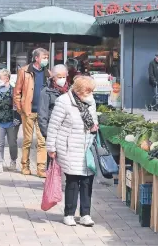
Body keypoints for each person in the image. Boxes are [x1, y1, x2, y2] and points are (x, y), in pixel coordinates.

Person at [46, 76, 99, 227]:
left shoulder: (91, 101)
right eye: (87, 91)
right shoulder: (64, 101)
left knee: (88, 181)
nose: (90, 94)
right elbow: (54, 126)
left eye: (91, 91)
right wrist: (51, 147)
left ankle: (85, 214)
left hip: (87, 147)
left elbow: (93, 119)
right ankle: (69, 214)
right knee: (73, 181)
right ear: (79, 90)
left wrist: (94, 126)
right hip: (69, 147)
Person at [14, 48, 51, 178]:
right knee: (27, 140)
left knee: (42, 141)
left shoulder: (48, 73)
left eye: (47, 57)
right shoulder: (24, 71)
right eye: (44, 57)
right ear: (36, 58)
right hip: (28, 111)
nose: (46, 59)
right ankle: (25, 165)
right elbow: (17, 92)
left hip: (42, 113)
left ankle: (41, 169)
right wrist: (20, 109)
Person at [0, 69, 21, 174]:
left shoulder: (13, 90)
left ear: (7, 78)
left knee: (12, 143)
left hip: (11, 121)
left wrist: (18, 118)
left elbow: (18, 106)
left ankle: (13, 161)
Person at [38, 64, 69, 168]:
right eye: (59, 77)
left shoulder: (70, 91)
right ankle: (52, 182)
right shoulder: (46, 92)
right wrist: (46, 133)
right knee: (52, 161)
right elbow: (42, 114)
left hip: (67, 132)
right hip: (53, 131)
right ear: (53, 77)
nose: (62, 79)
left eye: (64, 77)